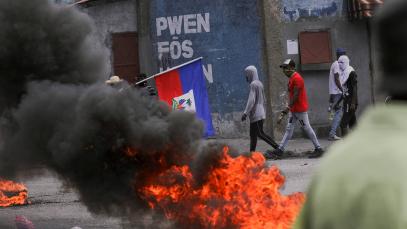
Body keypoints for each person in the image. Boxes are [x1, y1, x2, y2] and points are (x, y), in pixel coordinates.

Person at [292, 1, 407, 228]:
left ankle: (339, 131)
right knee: (343, 118)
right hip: (344, 99)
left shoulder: (333, 167)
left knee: (345, 119)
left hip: (346, 102)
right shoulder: (343, 70)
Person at [267, 59, 323, 159]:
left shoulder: (297, 79)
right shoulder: (292, 78)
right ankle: (280, 150)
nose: (284, 70)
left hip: (299, 110)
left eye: (286, 68)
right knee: (289, 130)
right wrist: (289, 107)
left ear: (292, 68)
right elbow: (292, 94)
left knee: (307, 128)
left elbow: (296, 95)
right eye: (283, 68)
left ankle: (319, 149)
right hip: (294, 110)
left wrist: (288, 108)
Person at [241, 65, 279, 152]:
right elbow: (264, 100)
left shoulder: (253, 84)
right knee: (253, 135)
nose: (246, 77)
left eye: (247, 74)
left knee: (260, 133)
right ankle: (252, 153)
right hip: (260, 112)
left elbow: (251, 100)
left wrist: (245, 113)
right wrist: (264, 112)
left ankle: (277, 147)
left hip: (256, 113)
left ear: (251, 74)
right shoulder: (259, 83)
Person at [327, 48, 346, 141]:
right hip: (337, 93)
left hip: (334, 93)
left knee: (334, 112)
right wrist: (342, 90)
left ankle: (332, 133)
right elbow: (336, 79)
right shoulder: (337, 65)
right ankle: (332, 134)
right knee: (338, 113)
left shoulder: (334, 64)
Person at [338, 55, 358, 136]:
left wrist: (353, 103)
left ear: (346, 62)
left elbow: (354, 88)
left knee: (343, 124)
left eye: (341, 62)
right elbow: (344, 91)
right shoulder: (343, 73)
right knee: (353, 124)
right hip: (347, 101)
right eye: (338, 62)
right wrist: (337, 103)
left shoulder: (351, 72)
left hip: (351, 103)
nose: (339, 64)